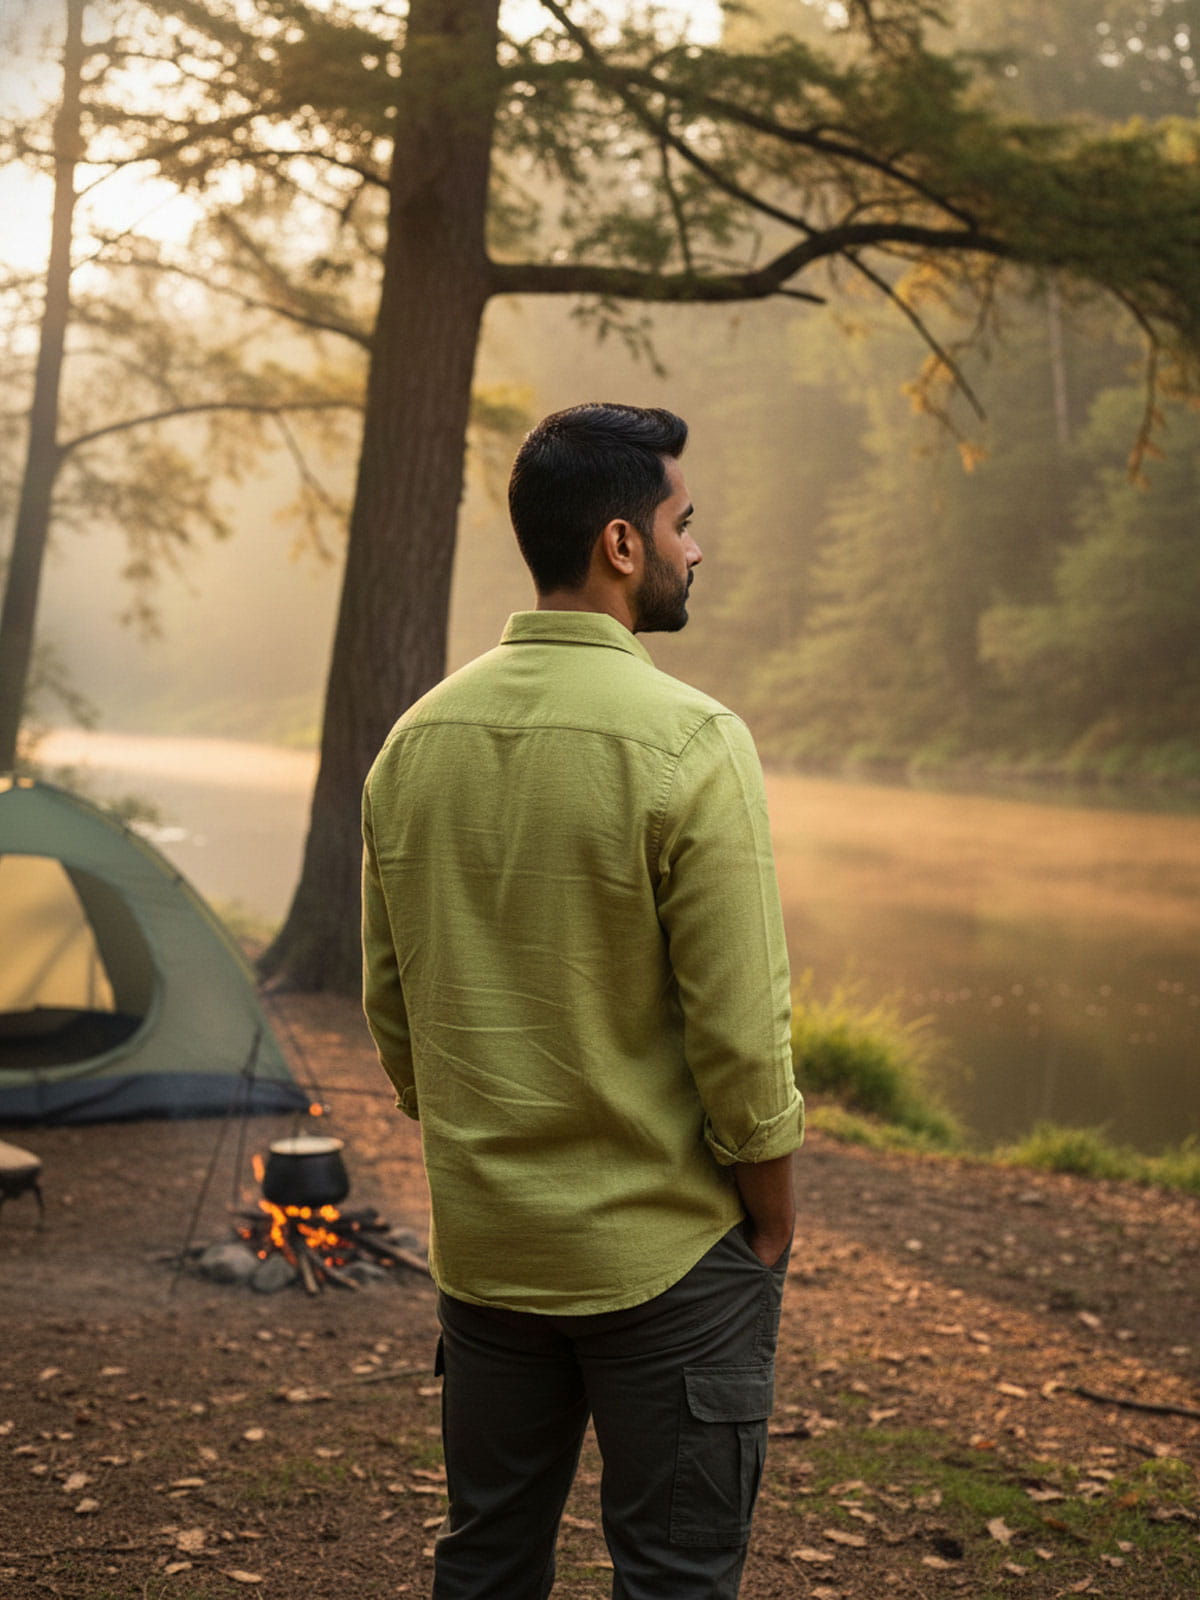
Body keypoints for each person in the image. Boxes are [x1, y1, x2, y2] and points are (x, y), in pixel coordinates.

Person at [362, 402, 803, 1600]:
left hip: (491, 1253)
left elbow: (395, 1013)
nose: (695, 549)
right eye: (683, 521)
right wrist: (769, 1216)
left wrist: (489, 1146)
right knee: (672, 1576)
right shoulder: (694, 740)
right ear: (621, 543)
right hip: (670, 1257)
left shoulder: (414, 741)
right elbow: (743, 1037)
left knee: (489, 1561)